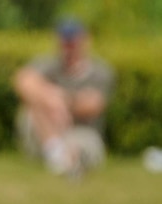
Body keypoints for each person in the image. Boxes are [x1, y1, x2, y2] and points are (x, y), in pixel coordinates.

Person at [13, 18, 115, 177]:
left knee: (84, 146)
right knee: (33, 107)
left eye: (73, 40)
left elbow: (94, 105)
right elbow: (22, 80)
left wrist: (64, 101)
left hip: (82, 132)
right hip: (46, 129)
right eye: (65, 41)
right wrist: (51, 99)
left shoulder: (100, 70)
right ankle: (57, 153)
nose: (69, 46)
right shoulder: (49, 64)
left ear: (85, 39)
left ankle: (65, 157)